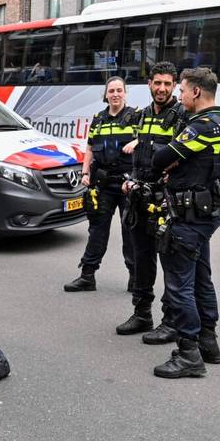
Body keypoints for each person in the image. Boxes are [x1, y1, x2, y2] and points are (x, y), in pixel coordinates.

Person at [150, 68, 220, 378]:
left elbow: (160, 159)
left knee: (179, 286)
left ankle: (188, 354)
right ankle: (208, 343)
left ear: (196, 91)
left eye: (182, 90)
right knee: (201, 279)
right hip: (204, 215)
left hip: (187, 218)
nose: (179, 95)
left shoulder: (201, 126)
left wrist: (168, 160)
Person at [118, 62, 187, 342]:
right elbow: (140, 155)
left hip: (166, 203)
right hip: (139, 198)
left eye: (168, 84)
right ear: (149, 84)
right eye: (157, 83)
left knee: (170, 264)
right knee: (142, 261)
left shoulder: (183, 115)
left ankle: (170, 322)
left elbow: (183, 158)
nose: (162, 89)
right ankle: (142, 315)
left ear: (174, 86)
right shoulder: (142, 116)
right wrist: (131, 179)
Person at [64, 77, 139, 292]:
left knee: (130, 233)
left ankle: (135, 279)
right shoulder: (98, 119)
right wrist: (85, 172)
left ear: (125, 93)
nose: (115, 94)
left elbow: (147, 138)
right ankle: (87, 276)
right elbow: (89, 148)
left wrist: (137, 141)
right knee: (97, 231)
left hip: (128, 185)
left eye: (119, 90)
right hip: (102, 184)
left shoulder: (136, 116)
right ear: (106, 95)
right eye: (111, 91)